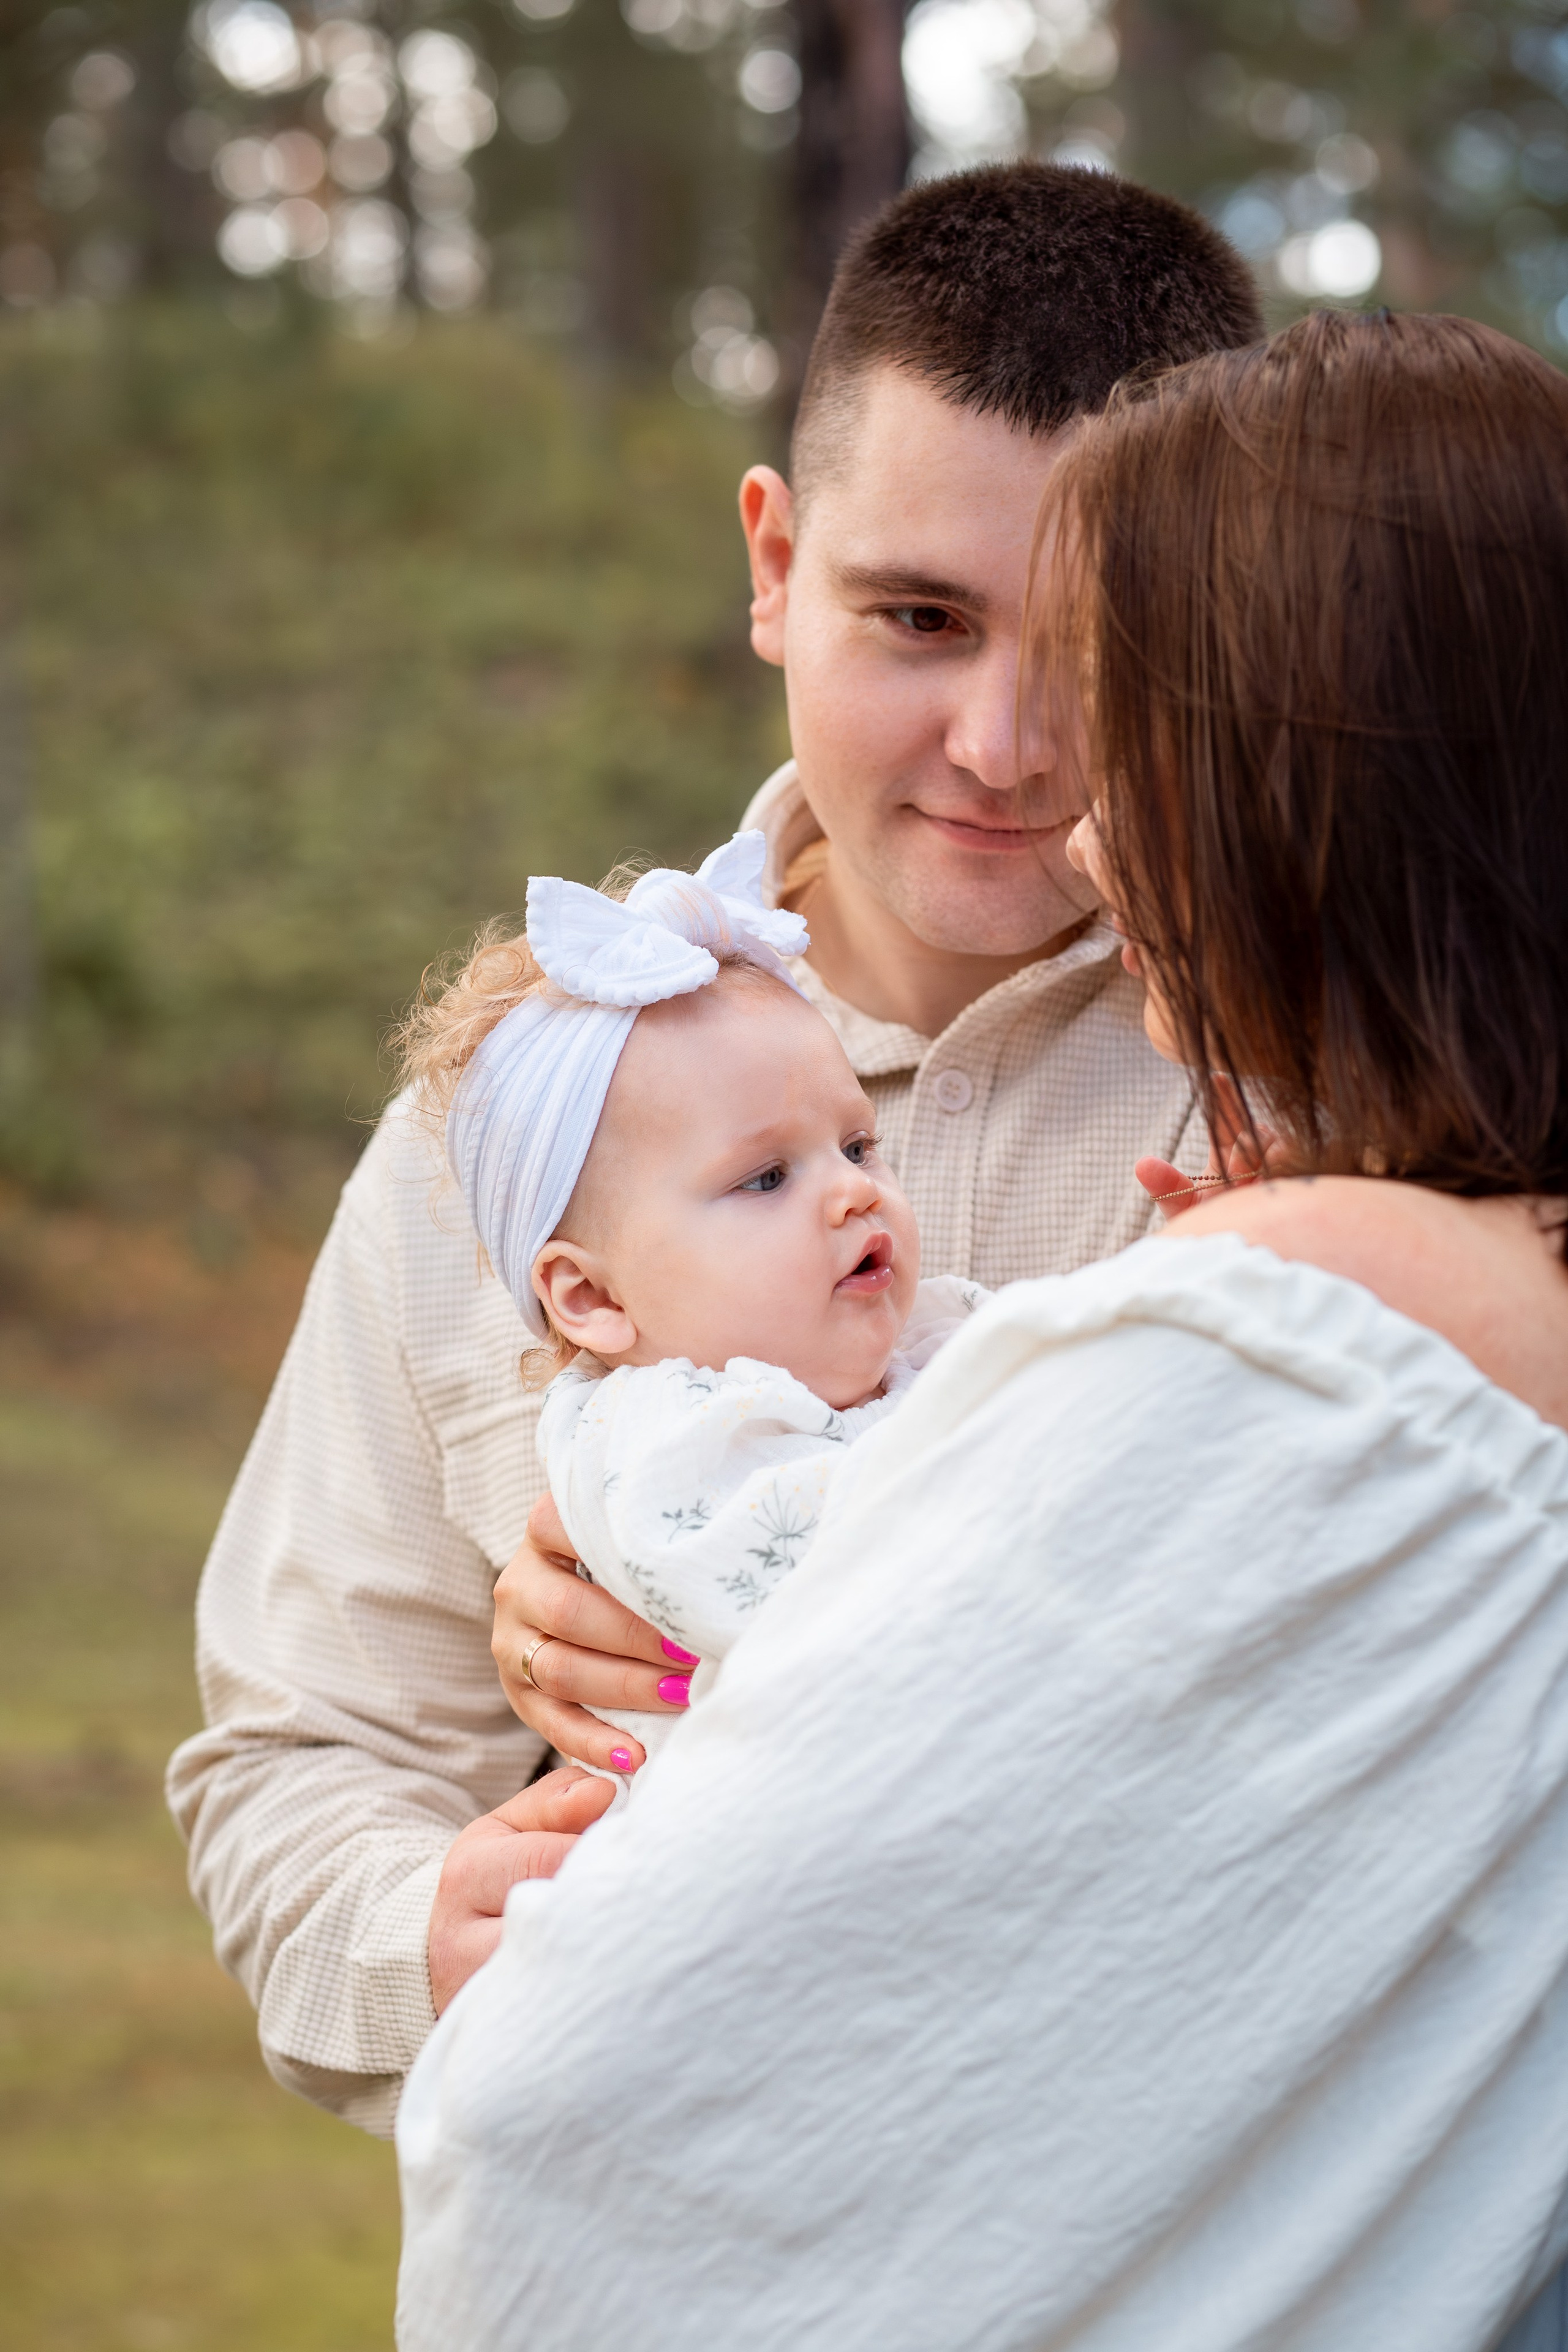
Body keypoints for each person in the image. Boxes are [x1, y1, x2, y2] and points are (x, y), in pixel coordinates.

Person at [394, 309, 1568, 2352]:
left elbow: (575, 2123)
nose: (1086, 828)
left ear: (1300, 788)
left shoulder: (1295, 1351)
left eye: (1136, 741)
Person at [166, 162, 1261, 2133]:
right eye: (916, 617)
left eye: (1105, 636)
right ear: (772, 563)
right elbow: (296, 1747)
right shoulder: (517, 1121)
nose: (1004, 743)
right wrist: (448, 1924)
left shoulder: (1347, 1090)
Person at [398, 831, 981, 1793]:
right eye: (765, 1178)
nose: (852, 1194)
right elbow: (840, 1600)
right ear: (592, 1298)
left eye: (858, 1145)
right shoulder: (663, 1452)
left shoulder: (923, 1338)